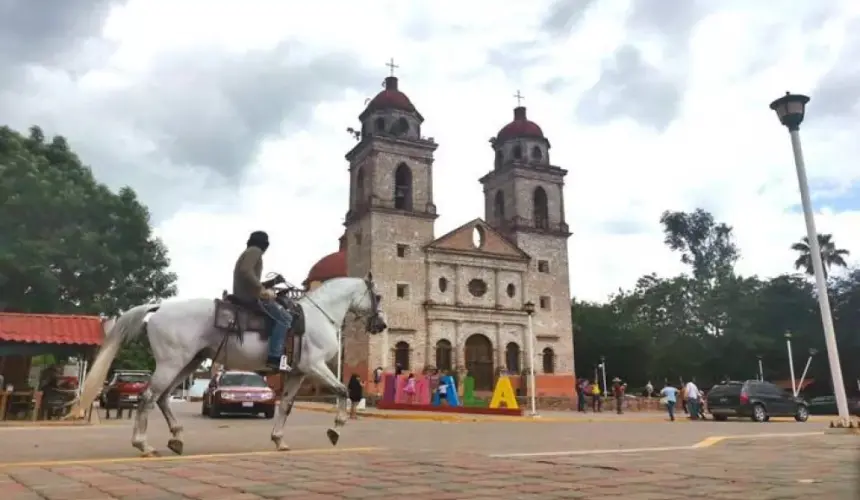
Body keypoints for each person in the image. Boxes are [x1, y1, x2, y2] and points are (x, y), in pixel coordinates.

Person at [233, 230, 293, 372]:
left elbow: (249, 278)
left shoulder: (249, 252)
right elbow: (245, 271)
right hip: (249, 297)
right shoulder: (255, 251)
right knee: (285, 318)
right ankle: (274, 357)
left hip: (245, 293)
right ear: (264, 244)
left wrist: (273, 282)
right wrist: (262, 290)